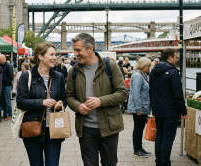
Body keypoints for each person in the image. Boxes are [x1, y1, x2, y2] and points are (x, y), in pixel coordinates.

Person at [66, 33, 128, 166]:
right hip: (86, 129)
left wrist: (101, 101)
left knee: (109, 163)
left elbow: (123, 93)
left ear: (90, 48)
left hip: (109, 127)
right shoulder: (73, 71)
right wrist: (78, 106)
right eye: (74, 50)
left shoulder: (110, 66)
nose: (75, 53)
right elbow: (69, 96)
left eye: (78, 50)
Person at [16, 42, 67, 166]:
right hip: (33, 128)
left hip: (54, 130)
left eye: (55, 54)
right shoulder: (26, 76)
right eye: (51, 54)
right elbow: (20, 102)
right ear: (40, 56)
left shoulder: (59, 77)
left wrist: (61, 103)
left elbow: (64, 98)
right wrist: (42, 102)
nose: (55, 57)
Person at [149, 48, 187, 166]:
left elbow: (151, 91)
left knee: (159, 136)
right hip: (170, 111)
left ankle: (158, 161)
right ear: (170, 58)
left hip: (158, 109)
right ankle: (165, 163)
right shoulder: (173, 72)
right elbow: (177, 94)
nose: (177, 59)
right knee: (168, 138)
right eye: (176, 57)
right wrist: (183, 111)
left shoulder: (153, 72)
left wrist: (152, 106)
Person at [127, 57, 152, 158]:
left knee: (141, 127)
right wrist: (139, 108)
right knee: (138, 128)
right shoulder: (137, 76)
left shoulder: (143, 75)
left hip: (143, 106)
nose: (149, 67)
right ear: (142, 65)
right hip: (139, 107)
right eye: (148, 65)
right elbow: (135, 93)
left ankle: (140, 147)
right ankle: (136, 149)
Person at [0, 54, 14, 121]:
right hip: (2, 85)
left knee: (7, 100)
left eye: (0, 59)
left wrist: (6, 83)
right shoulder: (1, 66)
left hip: (6, 86)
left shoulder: (9, 66)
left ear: (4, 59)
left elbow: (11, 76)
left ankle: (10, 115)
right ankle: (5, 114)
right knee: (3, 100)